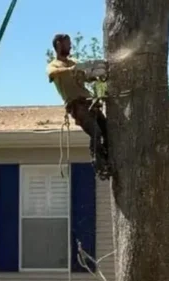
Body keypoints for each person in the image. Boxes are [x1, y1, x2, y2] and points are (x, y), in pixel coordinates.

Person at [47, 33, 113, 180]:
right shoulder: (54, 65)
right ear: (59, 44)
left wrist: (96, 74)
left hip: (90, 102)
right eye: (67, 43)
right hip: (77, 106)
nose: (70, 46)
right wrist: (71, 70)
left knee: (108, 131)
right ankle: (99, 165)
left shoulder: (74, 62)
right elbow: (52, 73)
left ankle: (108, 160)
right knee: (95, 132)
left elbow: (86, 76)